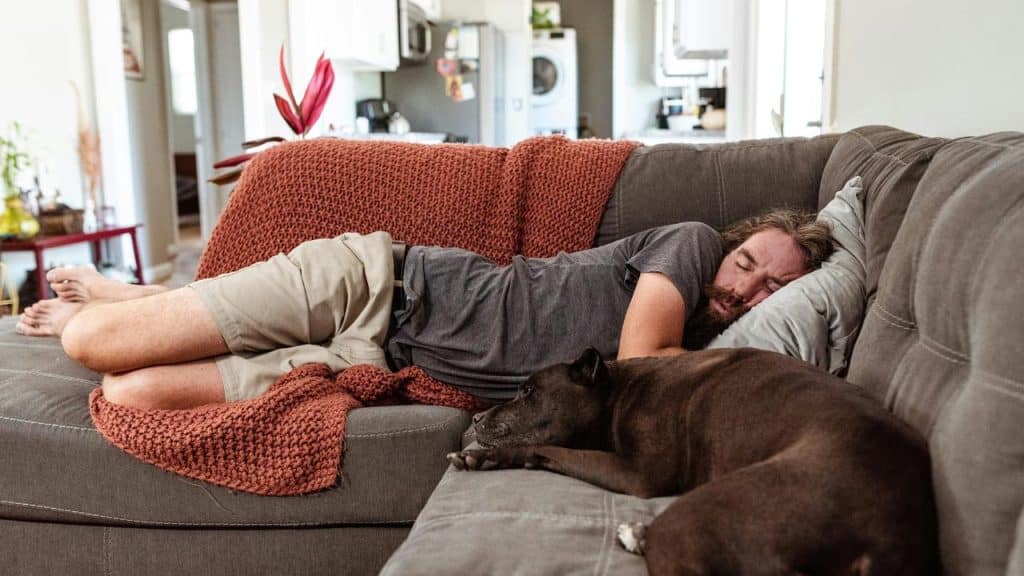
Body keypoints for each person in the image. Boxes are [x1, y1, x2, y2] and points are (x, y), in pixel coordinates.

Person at [16, 209, 832, 409]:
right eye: (747, 261)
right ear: (727, 244)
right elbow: (646, 361)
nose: (745, 289)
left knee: (134, 394)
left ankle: (168, 299)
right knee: (92, 341)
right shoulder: (688, 245)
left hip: (373, 362)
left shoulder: (701, 333)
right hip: (380, 284)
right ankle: (146, 293)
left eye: (771, 293)